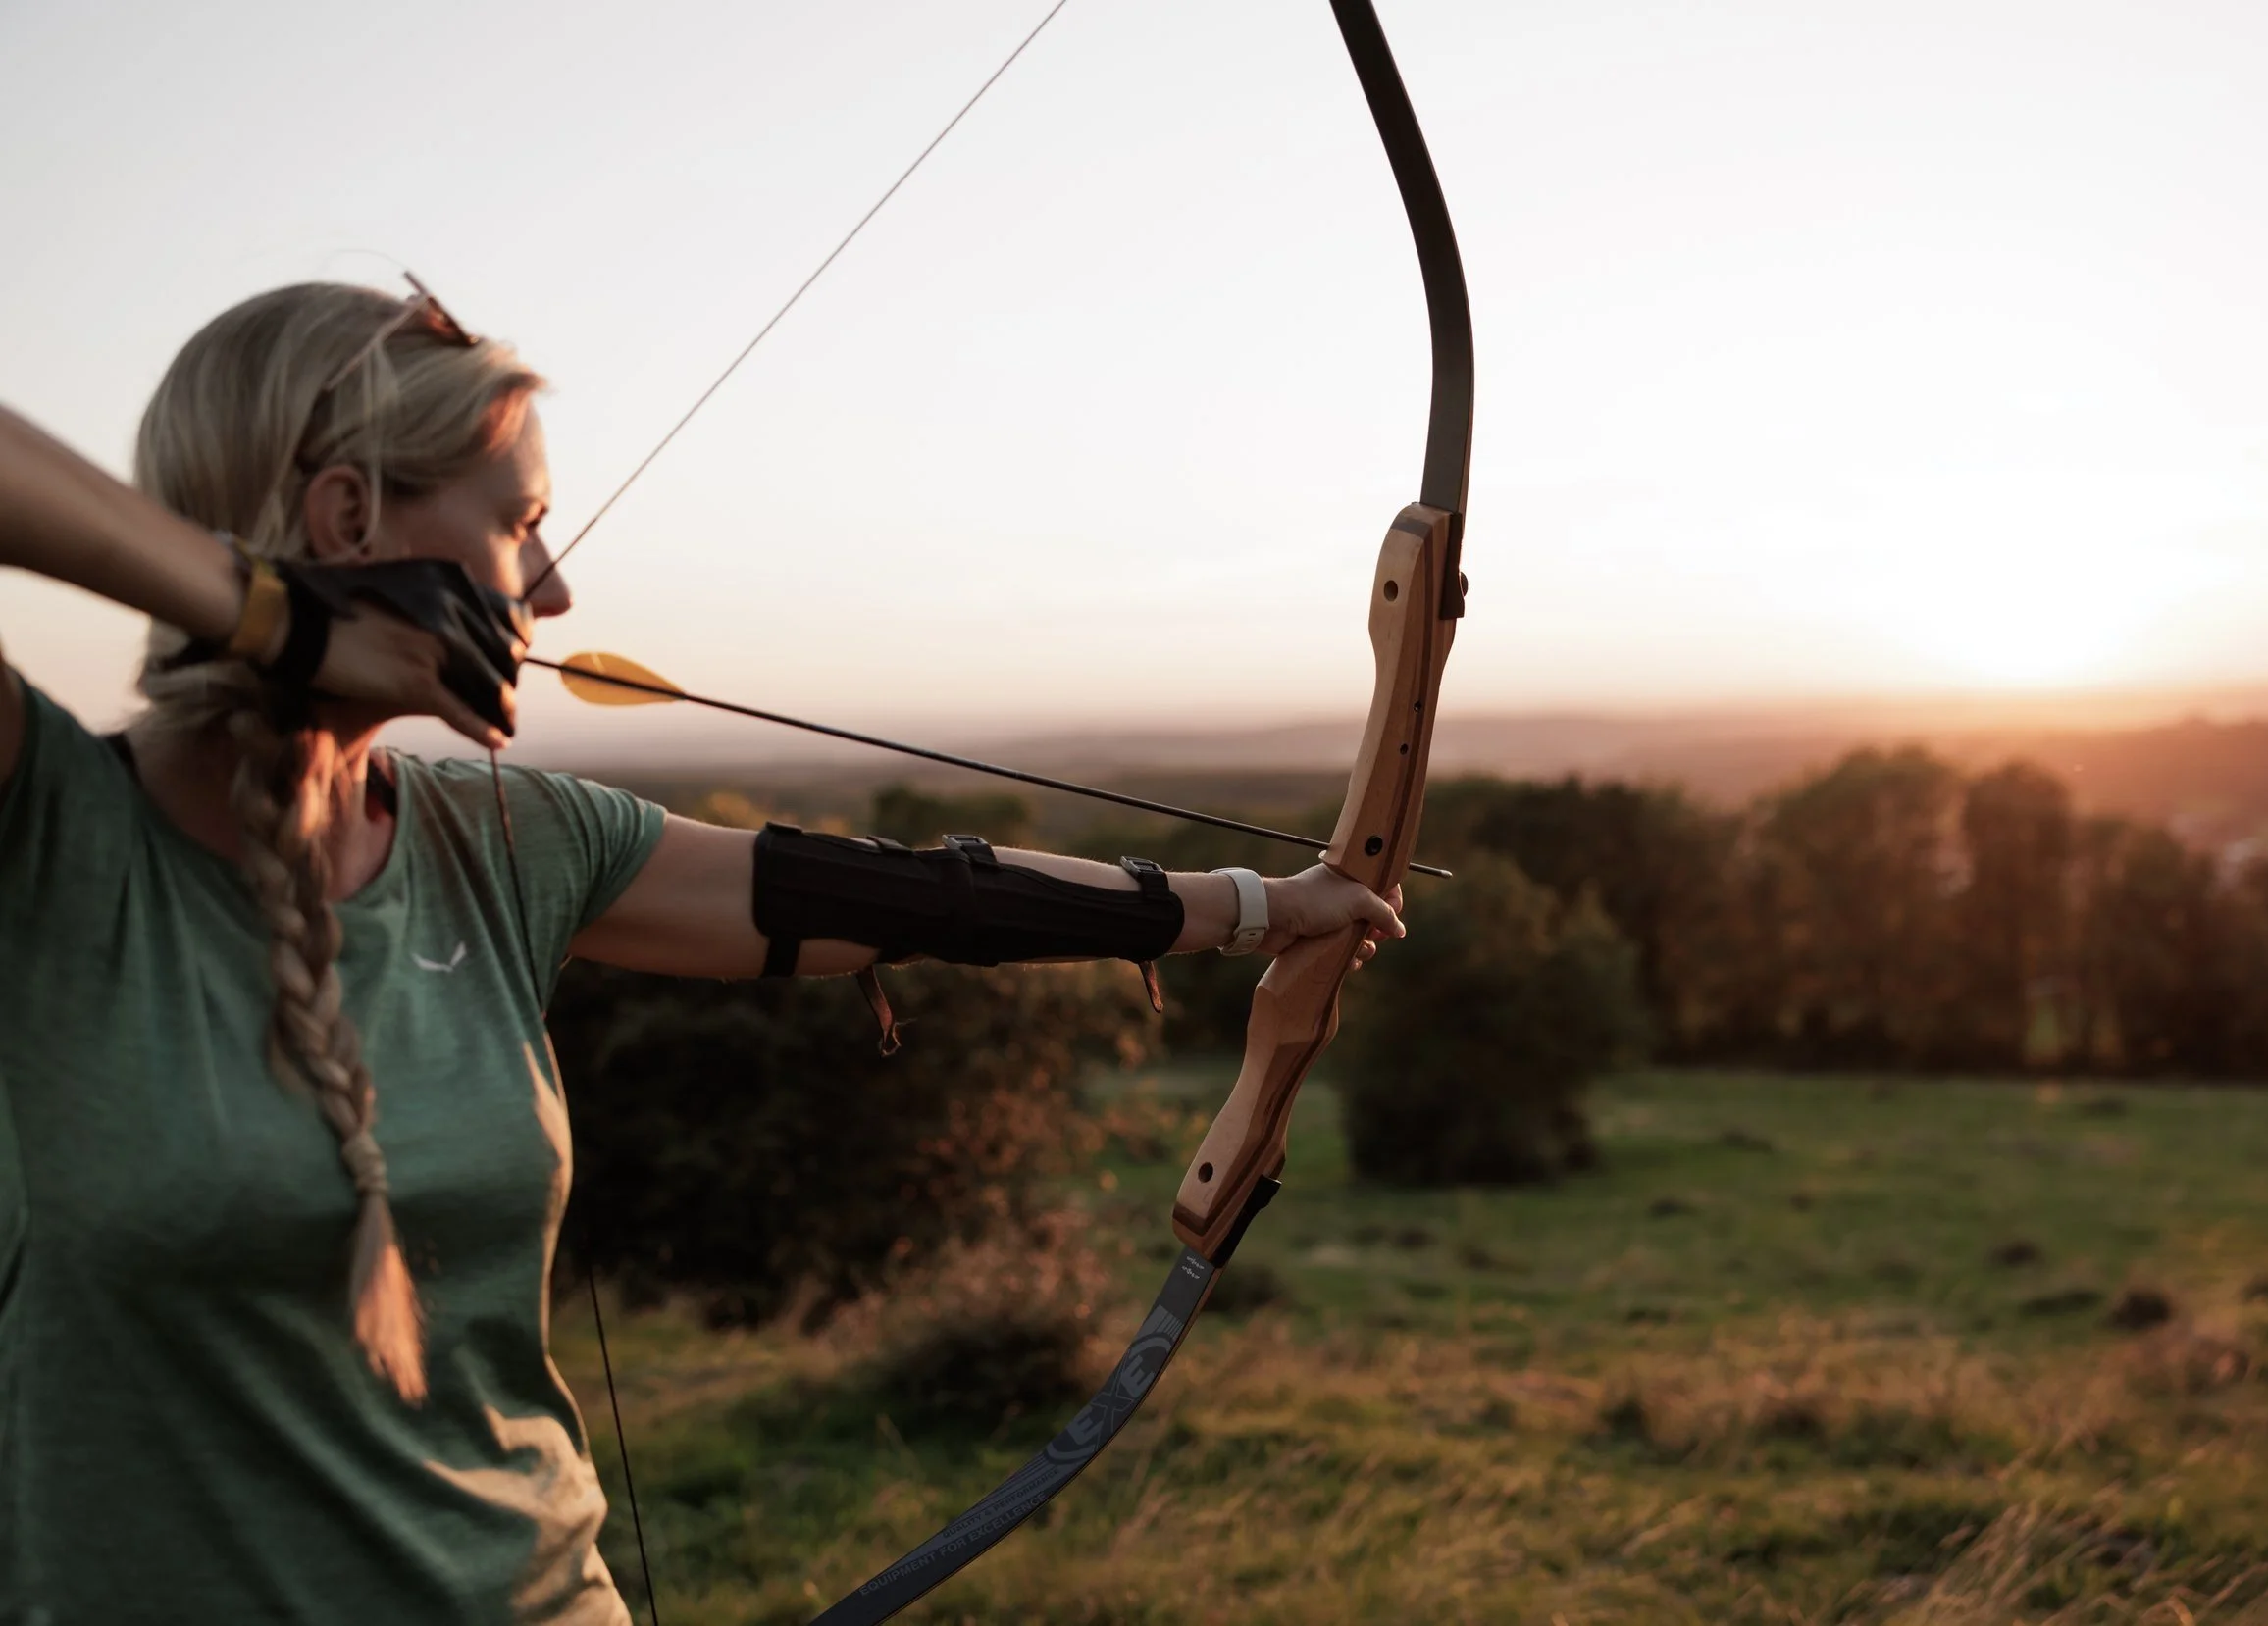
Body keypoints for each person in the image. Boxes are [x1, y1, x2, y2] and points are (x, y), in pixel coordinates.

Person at [0, 279, 1402, 1625]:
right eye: (519, 522)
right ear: (348, 514)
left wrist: (1262, 908)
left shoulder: (502, 838)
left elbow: (915, 897)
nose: (546, 593)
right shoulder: (44, 829)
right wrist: (279, 612)